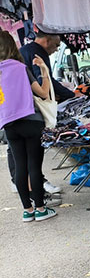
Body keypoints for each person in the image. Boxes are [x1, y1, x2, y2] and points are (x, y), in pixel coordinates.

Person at [0, 31, 57, 222]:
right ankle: (40, 208)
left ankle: (27, 210)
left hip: (9, 125)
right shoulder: (20, 67)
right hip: (31, 120)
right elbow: (43, 93)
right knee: (34, 164)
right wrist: (43, 70)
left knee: (20, 166)